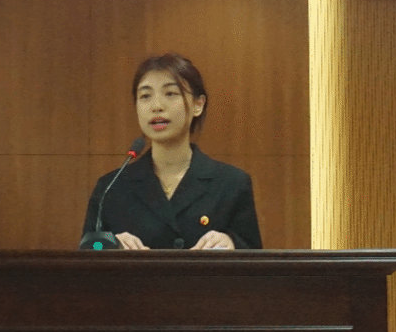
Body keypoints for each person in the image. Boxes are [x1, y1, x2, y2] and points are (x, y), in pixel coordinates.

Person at [82, 53, 262, 250]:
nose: (156, 106)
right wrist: (109, 243)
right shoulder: (111, 187)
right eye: (145, 96)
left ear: (198, 104)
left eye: (170, 94)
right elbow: (90, 248)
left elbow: (255, 256)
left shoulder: (231, 183)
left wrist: (231, 243)